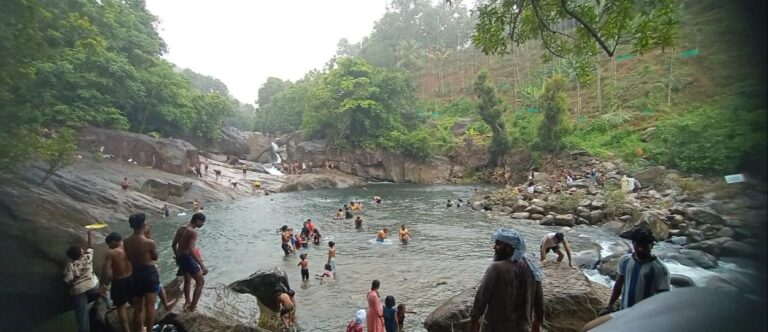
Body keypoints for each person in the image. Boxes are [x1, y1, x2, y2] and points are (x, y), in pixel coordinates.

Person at [470, 228, 544, 332]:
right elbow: (539, 298)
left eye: (498, 244)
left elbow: (482, 297)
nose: (494, 247)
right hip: (523, 327)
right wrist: (537, 321)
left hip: (495, 327)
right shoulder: (532, 266)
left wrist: (475, 319)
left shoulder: (495, 268)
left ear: (509, 248)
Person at [601, 227, 670, 315]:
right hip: (623, 312)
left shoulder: (659, 269)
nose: (640, 249)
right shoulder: (625, 260)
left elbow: (663, 299)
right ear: (632, 244)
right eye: (637, 245)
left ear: (652, 245)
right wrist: (610, 305)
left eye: (644, 246)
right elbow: (618, 285)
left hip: (644, 317)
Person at [124, 213, 160, 332]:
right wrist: (149, 237)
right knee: (150, 306)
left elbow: (128, 257)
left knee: (138, 307)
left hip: (135, 273)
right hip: (149, 273)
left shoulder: (126, 241)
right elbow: (155, 257)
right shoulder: (149, 242)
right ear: (143, 225)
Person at [64, 229, 101, 332]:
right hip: (92, 286)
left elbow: (68, 280)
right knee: (102, 289)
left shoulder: (69, 266)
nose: (82, 250)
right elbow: (90, 247)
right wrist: (89, 234)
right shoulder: (87, 258)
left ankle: (84, 330)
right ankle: (105, 302)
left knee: (81, 313)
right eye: (81, 250)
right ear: (81, 254)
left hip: (78, 290)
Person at [171, 212, 207, 312]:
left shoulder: (182, 228)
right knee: (200, 282)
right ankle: (192, 307)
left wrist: (178, 257)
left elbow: (174, 245)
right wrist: (202, 265)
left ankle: (187, 301)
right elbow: (191, 249)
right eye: (202, 222)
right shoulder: (192, 232)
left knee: (187, 279)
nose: (203, 224)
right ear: (198, 220)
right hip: (187, 258)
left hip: (181, 258)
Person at [101, 232, 133, 332]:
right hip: (131, 279)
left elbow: (106, 271)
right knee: (137, 305)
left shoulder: (111, 253)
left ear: (113, 242)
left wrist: (103, 284)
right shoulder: (129, 247)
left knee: (121, 308)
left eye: (109, 244)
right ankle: (140, 327)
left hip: (119, 281)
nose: (109, 247)